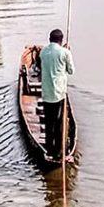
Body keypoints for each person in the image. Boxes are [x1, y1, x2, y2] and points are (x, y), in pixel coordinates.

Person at [40, 29, 75, 160]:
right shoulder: (65, 53)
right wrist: (68, 53)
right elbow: (71, 71)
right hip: (59, 94)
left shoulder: (43, 52)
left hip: (46, 93)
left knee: (49, 124)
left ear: (50, 39)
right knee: (59, 124)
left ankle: (49, 152)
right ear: (61, 40)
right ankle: (60, 154)